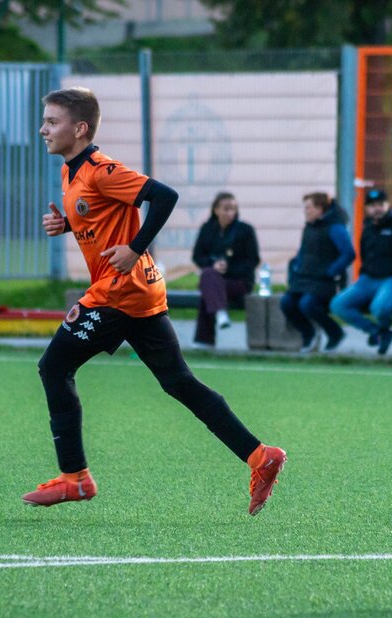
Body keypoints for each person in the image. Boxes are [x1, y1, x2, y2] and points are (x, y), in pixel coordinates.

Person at [26, 87, 286, 515]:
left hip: (118, 292)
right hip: (139, 291)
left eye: (52, 122)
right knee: (178, 381)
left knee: (54, 367)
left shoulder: (100, 169)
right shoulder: (72, 172)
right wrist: (68, 225)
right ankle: (261, 456)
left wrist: (135, 247)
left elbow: (164, 196)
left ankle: (75, 478)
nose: (43, 129)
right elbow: (101, 214)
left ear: (80, 128)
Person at [330, 188, 392, 355]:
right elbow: (364, 254)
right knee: (338, 305)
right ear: (367, 208)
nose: (377, 209)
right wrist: (365, 274)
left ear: (387, 205)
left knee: (378, 307)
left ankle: (383, 329)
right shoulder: (368, 227)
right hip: (369, 279)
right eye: (372, 206)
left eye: (380, 204)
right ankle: (376, 332)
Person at [280, 192, 355, 353]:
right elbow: (303, 251)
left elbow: (349, 254)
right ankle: (308, 333)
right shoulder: (309, 227)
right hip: (304, 278)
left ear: (320, 209)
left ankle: (335, 333)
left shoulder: (335, 228)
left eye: (308, 207)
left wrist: (331, 271)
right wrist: (297, 267)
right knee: (286, 303)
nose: (305, 211)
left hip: (324, 281)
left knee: (307, 304)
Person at [190, 191, 260, 348]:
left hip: (239, 282)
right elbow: (197, 256)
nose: (230, 213)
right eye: (226, 209)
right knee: (209, 275)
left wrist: (228, 268)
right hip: (214, 280)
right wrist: (213, 264)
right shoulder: (207, 229)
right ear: (216, 210)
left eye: (233, 209)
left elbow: (253, 260)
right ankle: (219, 314)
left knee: (207, 283)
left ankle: (204, 340)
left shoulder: (245, 230)